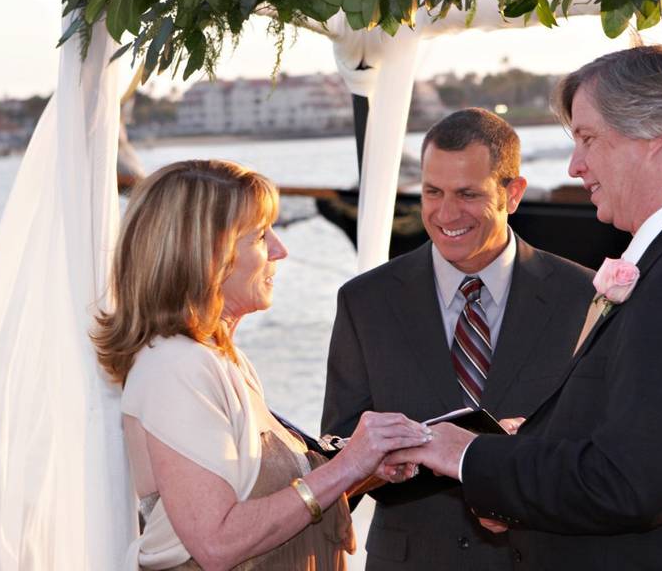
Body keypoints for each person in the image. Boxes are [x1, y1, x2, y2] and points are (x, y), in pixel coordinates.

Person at [393, 46, 662, 569]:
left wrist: (463, 454)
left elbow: (632, 485)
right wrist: (528, 448)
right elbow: (633, 438)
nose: (576, 166)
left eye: (588, 139)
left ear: (653, 136)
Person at [92, 159, 432, 571]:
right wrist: (348, 465)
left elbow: (265, 499)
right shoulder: (175, 367)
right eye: (260, 236)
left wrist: (368, 465)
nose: (280, 249)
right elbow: (217, 542)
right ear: (205, 254)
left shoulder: (218, 360)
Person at [321, 108, 595, 569]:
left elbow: (604, 453)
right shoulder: (363, 301)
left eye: (468, 194)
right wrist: (384, 459)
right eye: (433, 192)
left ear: (513, 194)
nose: (446, 214)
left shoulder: (585, 298)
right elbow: (337, 447)